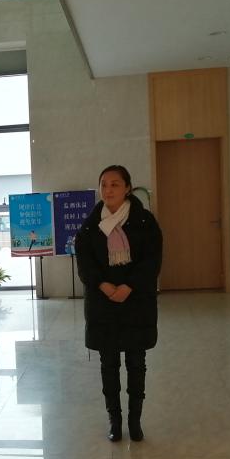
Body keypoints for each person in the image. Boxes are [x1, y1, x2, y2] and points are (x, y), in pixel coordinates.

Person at [75, 165, 162, 442]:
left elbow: (152, 260)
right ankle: (115, 420)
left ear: (127, 188)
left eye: (115, 184)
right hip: (103, 304)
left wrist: (128, 286)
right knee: (108, 364)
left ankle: (135, 421)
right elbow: (85, 263)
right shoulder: (90, 225)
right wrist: (103, 285)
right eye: (104, 184)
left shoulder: (145, 222)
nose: (108, 190)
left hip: (137, 302)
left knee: (137, 363)